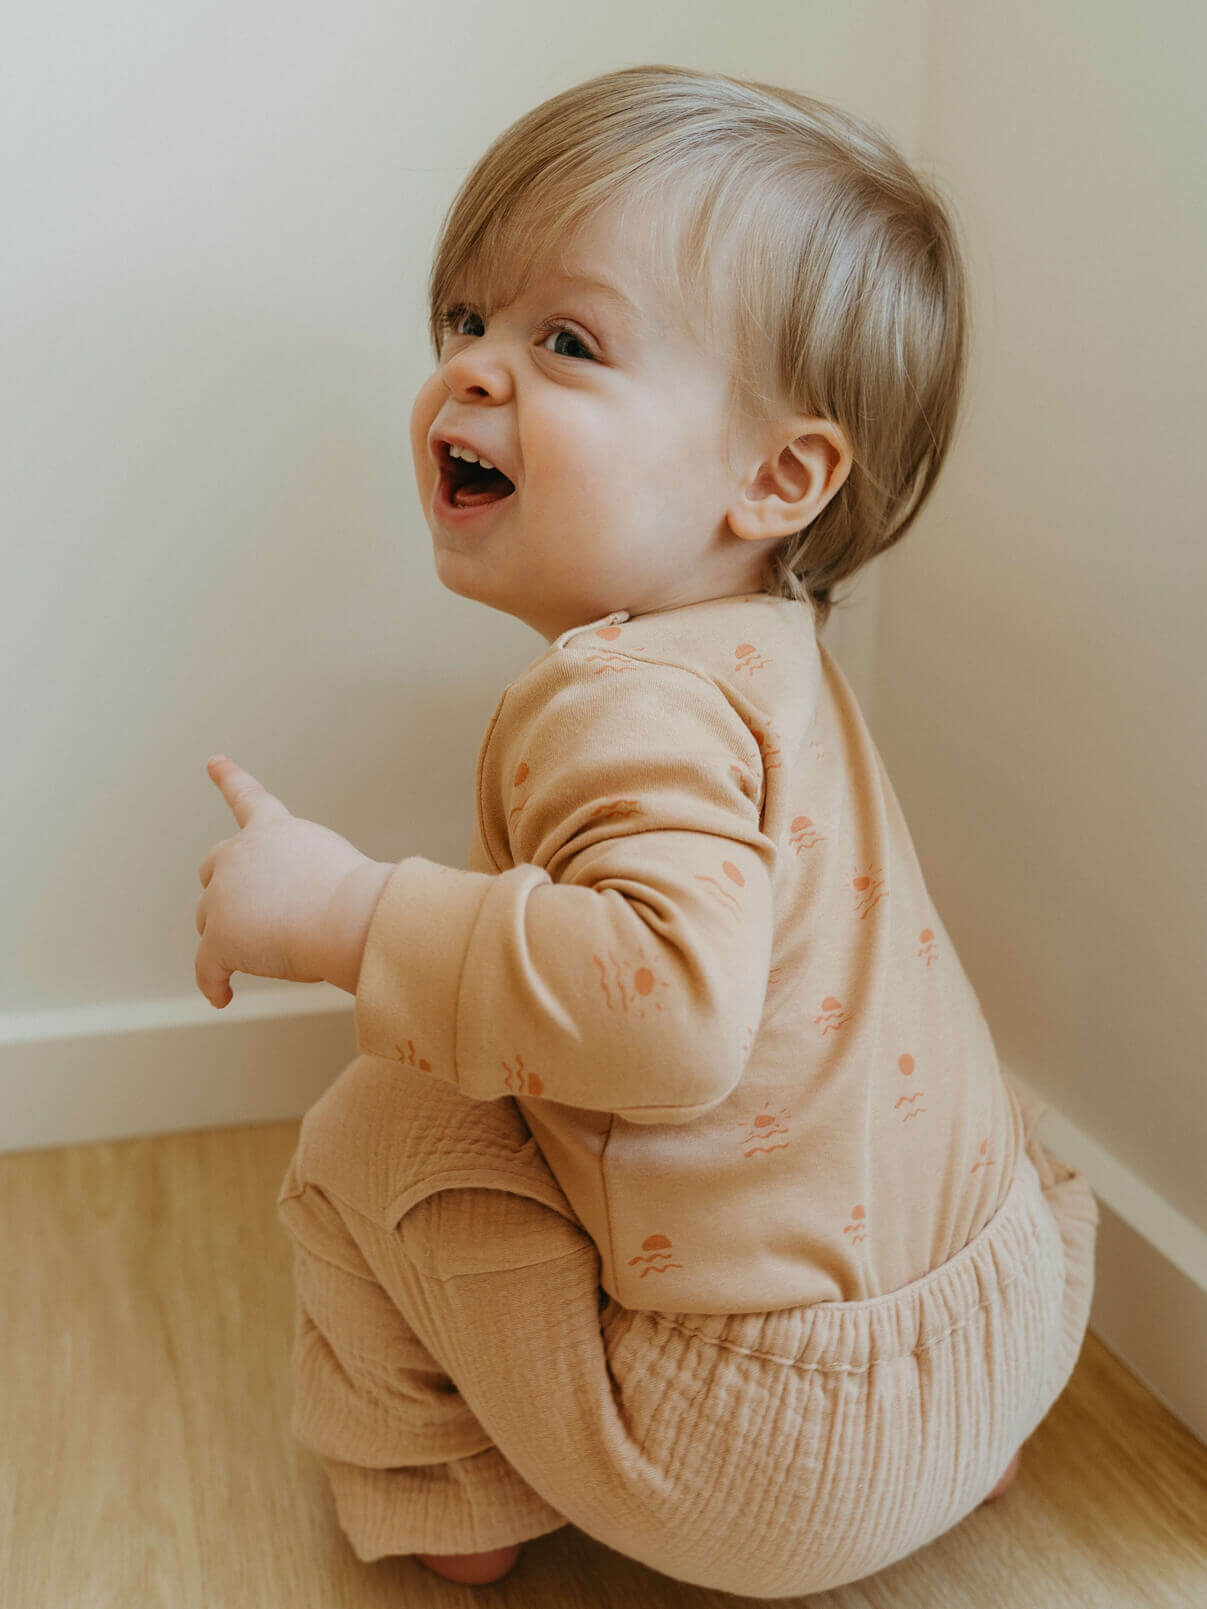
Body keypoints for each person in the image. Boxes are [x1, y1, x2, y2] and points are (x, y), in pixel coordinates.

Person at [194, 64, 1098, 1596]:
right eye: (467, 321)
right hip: (1005, 1315)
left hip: (760, 1451)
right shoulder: (776, 656)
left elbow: (667, 1015)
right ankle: (964, 1445)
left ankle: (448, 1493)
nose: (475, 371)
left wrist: (343, 912)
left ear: (778, 475)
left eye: (566, 340)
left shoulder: (614, 698)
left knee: (369, 1133)